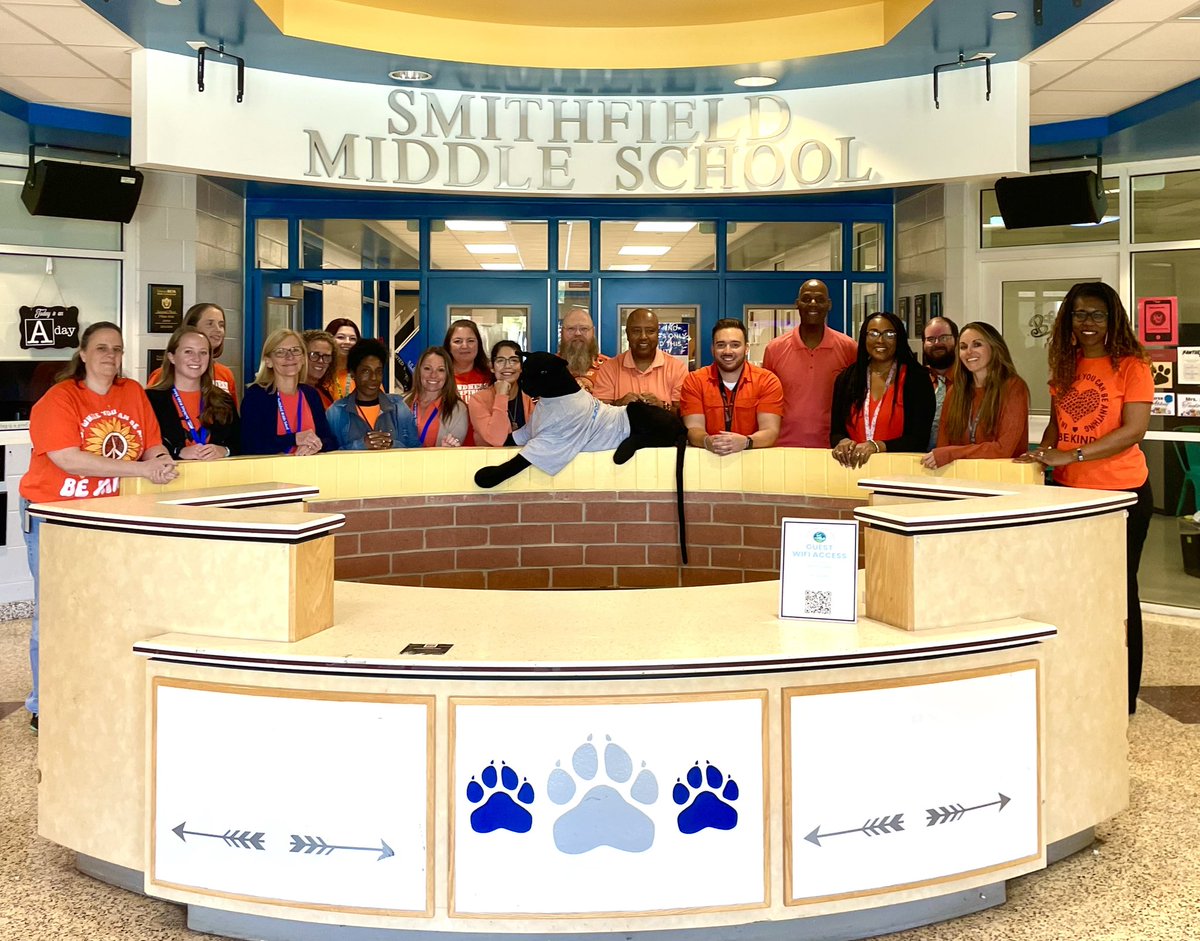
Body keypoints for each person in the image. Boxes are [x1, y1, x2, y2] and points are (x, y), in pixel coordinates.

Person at [19, 321, 178, 732]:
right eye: (102, 348)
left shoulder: (132, 393)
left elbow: (151, 441)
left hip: (110, 515)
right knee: (56, 610)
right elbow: (69, 459)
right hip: (56, 515)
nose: (111, 356)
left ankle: (97, 688)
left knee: (106, 605)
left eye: (118, 349)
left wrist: (160, 460)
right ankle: (44, 703)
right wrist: (141, 469)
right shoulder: (59, 399)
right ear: (84, 354)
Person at [1018, 281, 1153, 714]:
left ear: (1113, 319)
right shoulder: (1065, 364)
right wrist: (1041, 455)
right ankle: (1082, 680)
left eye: (1097, 314)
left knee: (1118, 593)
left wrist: (1071, 453)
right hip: (1070, 493)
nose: (1088, 323)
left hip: (1122, 493)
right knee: (1075, 590)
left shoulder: (1133, 366)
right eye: (1079, 314)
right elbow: (1059, 425)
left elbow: (1133, 431)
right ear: (1068, 321)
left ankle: (1123, 693)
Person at [830, 312, 934, 467]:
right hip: (852, 470)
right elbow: (836, 431)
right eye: (873, 333)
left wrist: (877, 446)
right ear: (864, 337)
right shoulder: (846, 378)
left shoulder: (917, 379)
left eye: (889, 334)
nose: (880, 340)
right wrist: (842, 441)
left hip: (901, 471)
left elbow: (919, 439)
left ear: (899, 338)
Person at [762, 279, 857, 448]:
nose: (813, 304)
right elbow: (766, 401)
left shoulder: (849, 347)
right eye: (806, 299)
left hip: (834, 447)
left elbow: (856, 399)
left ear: (829, 305)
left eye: (820, 299)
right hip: (783, 446)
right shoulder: (774, 349)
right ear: (797, 304)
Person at [920, 322, 1029, 468]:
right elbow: (942, 447)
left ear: (994, 347)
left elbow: (1003, 449)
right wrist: (947, 454)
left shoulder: (1013, 387)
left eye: (977, 344)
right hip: (960, 480)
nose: (969, 352)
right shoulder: (954, 391)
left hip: (1003, 479)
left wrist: (952, 453)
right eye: (963, 347)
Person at [680, 318, 783, 455]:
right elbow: (693, 428)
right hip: (708, 462)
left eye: (735, 345)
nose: (727, 351)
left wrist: (746, 442)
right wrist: (708, 441)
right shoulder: (694, 381)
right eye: (721, 345)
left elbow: (770, 431)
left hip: (754, 464)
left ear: (746, 348)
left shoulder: (768, 381)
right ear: (712, 349)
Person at [146, 326, 240, 460]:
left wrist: (225, 450)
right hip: (172, 477)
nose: (196, 358)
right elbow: (143, 446)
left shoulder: (223, 400)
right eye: (188, 352)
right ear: (172, 357)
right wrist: (178, 452)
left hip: (217, 477)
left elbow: (241, 442)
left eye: (203, 352)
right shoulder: (151, 400)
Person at [240, 329, 337, 456]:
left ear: (303, 358)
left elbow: (331, 440)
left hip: (309, 471)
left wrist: (318, 445)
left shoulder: (310, 394)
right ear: (268, 361)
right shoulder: (256, 395)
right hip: (271, 472)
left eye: (295, 350)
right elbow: (250, 444)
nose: (289, 357)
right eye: (280, 352)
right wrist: (294, 439)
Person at [326, 338, 420, 450]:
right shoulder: (336, 412)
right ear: (353, 373)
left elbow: (416, 450)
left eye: (378, 371)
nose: (374, 377)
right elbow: (328, 458)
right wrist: (361, 445)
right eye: (366, 371)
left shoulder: (399, 407)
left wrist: (392, 445)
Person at [591, 308, 687, 411]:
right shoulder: (609, 369)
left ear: (658, 334)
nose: (643, 337)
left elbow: (684, 415)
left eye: (650, 331)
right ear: (627, 334)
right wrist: (619, 405)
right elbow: (598, 415)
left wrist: (662, 407)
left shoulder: (677, 368)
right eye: (636, 331)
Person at [147, 303, 239, 406]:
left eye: (221, 325)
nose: (218, 330)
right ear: (192, 327)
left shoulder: (225, 373)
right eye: (210, 324)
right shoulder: (163, 375)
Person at [468, 341, 538, 447]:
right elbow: (497, 440)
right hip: (489, 461)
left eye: (514, 360)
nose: (507, 366)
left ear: (521, 367)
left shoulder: (531, 398)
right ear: (492, 367)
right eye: (500, 361)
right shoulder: (478, 400)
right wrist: (501, 396)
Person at [404, 346, 468, 447]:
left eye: (440, 370)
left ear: (448, 374)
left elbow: (452, 455)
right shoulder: (401, 403)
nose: (433, 375)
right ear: (418, 371)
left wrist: (447, 449)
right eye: (427, 368)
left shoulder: (458, 410)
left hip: (436, 462)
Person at [443, 319, 493, 446]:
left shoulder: (491, 376)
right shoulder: (440, 378)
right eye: (457, 341)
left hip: (486, 448)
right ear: (448, 346)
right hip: (449, 447)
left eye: (470, 341)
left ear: (478, 344)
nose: (464, 346)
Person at [923, 316, 960, 450]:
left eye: (944, 337)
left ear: (956, 340)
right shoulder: (916, 381)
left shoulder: (970, 381)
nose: (937, 343)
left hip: (958, 461)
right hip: (918, 461)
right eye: (930, 339)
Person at [557, 306, 608, 393]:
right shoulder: (548, 367)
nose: (577, 333)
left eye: (584, 329)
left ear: (593, 332)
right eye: (571, 329)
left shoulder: (609, 367)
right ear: (562, 332)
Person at [325, 318, 361, 400]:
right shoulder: (320, 371)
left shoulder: (363, 373)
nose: (347, 342)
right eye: (341, 337)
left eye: (352, 339)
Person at [303, 329, 339, 409]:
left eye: (326, 356)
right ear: (301, 356)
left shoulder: (323, 393)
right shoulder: (293, 393)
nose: (321, 361)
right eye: (314, 355)